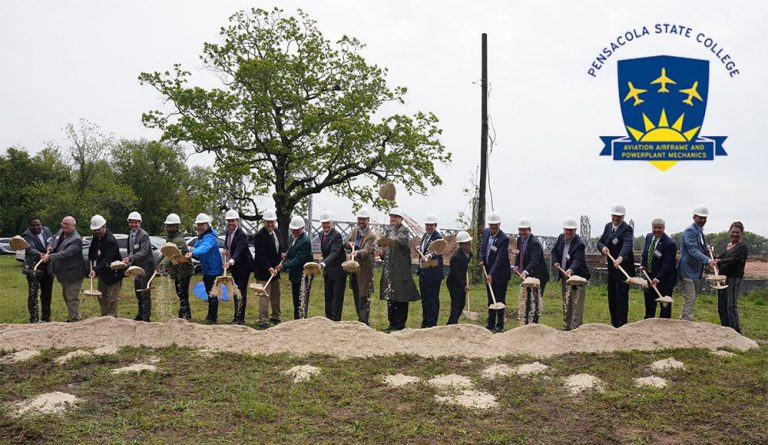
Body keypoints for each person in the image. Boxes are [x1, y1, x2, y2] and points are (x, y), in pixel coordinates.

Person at [379, 207, 420, 331]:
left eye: (395, 217)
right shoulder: (389, 230)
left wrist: (387, 241)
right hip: (390, 270)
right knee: (390, 297)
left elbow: (399, 240)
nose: (393, 219)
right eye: (391, 217)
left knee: (401, 298)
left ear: (401, 219)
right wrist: (382, 251)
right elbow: (384, 248)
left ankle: (400, 325)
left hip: (401, 271)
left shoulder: (404, 230)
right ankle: (391, 324)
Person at [596, 203, 635, 328]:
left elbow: (627, 245)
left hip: (623, 268)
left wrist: (620, 258)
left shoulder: (627, 229)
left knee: (621, 298)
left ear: (623, 216)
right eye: (614, 216)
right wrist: (603, 248)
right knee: (612, 297)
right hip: (612, 269)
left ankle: (622, 325)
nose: (616, 219)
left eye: (619, 216)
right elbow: (600, 242)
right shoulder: (608, 226)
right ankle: (614, 324)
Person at [41, 216, 85, 322]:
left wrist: (50, 257)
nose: (64, 226)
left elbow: (66, 254)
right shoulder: (61, 231)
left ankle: (74, 319)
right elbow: (52, 238)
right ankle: (73, 316)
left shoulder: (76, 239)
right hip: (64, 273)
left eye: (67, 224)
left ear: (74, 226)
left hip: (74, 273)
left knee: (72, 296)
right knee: (66, 296)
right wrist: (50, 246)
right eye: (63, 223)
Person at [551, 216, 590, 330]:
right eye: (566, 229)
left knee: (577, 304)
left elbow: (578, 260)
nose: (568, 232)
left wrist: (571, 269)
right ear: (564, 229)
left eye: (571, 230)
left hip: (578, 279)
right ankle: (566, 325)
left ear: (575, 230)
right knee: (567, 302)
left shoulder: (579, 243)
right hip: (565, 278)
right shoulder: (560, 238)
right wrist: (556, 261)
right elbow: (554, 251)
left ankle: (576, 328)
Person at [677, 205, 715, 321]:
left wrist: (709, 255)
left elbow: (700, 249)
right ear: (694, 217)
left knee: (691, 298)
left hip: (695, 270)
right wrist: (708, 260)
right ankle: (686, 322)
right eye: (700, 218)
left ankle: (684, 320)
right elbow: (692, 250)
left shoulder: (699, 231)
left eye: (705, 218)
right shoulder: (690, 231)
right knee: (690, 297)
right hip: (687, 270)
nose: (703, 220)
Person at [186, 213, 223, 324]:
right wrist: (187, 251)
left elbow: (203, 248)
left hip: (214, 270)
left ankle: (212, 318)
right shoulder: (201, 237)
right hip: (207, 270)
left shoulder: (211, 237)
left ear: (208, 225)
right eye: (198, 224)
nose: (200, 226)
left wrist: (193, 253)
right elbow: (195, 247)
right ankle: (210, 315)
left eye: (202, 224)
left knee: (213, 294)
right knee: (209, 293)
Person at [276, 216, 314, 319]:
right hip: (295, 275)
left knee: (301, 301)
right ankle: (296, 320)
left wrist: (283, 265)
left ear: (302, 228)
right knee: (296, 300)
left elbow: (298, 259)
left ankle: (301, 321)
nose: (295, 231)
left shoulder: (305, 241)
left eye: (297, 230)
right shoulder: (294, 237)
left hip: (303, 275)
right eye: (293, 229)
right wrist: (287, 255)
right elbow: (292, 250)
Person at [639, 218, 677, 319]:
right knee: (649, 304)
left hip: (664, 280)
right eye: (654, 227)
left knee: (664, 307)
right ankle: (648, 322)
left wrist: (658, 278)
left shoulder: (669, 244)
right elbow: (645, 253)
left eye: (659, 228)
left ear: (664, 228)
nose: (656, 230)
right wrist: (643, 265)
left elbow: (667, 264)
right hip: (650, 277)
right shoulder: (649, 237)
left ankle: (664, 328)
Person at [513, 217, 549, 324]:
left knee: (536, 300)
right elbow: (519, 254)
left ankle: (534, 324)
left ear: (530, 230)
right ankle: (526, 321)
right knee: (527, 299)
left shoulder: (535, 243)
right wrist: (516, 266)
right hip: (528, 276)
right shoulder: (520, 240)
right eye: (520, 230)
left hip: (539, 276)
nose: (522, 232)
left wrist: (525, 271)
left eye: (524, 230)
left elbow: (534, 260)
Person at [253, 209, 284, 328]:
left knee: (276, 295)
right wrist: (269, 267)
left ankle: (276, 317)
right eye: (267, 222)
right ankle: (263, 320)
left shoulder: (277, 232)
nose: (270, 224)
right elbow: (260, 256)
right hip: (263, 271)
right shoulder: (259, 236)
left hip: (276, 270)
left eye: (272, 222)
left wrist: (282, 253)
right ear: (263, 222)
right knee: (264, 296)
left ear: (275, 221)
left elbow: (280, 246)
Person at [158, 213, 194, 319]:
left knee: (182, 293)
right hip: (178, 270)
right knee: (180, 293)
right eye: (167, 226)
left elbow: (171, 255)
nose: (168, 228)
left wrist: (162, 265)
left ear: (176, 227)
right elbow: (165, 253)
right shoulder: (170, 239)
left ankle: (184, 314)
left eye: (170, 226)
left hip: (185, 270)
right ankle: (185, 313)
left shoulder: (179, 240)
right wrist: (159, 263)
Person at [87, 215, 124, 317]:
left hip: (114, 273)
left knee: (113, 299)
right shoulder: (96, 237)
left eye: (98, 229)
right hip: (103, 273)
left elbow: (106, 260)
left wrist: (95, 270)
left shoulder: (110, 240)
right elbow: (92, 254)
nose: (96, 231)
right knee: (102, 296)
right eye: (94, 230)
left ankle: (112, 318)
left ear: (104, 226)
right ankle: (104, 317)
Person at [715, 221, 749, 334]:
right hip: (722, 279)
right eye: (733, 232)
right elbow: (719, 259)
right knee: (722, 306)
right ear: (729, 232)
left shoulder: (742, 247)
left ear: (741, 233)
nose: (734, 234)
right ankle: (726, 329)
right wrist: (713, 259)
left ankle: (736, 332)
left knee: (731, 306)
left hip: (734, 278)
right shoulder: (726, 246)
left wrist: (720, 260)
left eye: (737, 232)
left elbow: (734, 260)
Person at [123, 211, 156, 322]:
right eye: (132, 222)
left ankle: (146, 318)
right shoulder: (130, 235)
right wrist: (128, 260)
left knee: (144, 291)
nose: (134, 224)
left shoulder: (144, 235)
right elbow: (131, 251)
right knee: (138, 291)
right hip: (136, 267)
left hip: (146, 266)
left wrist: (131, 258)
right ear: (129, 223)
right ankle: (140, 314)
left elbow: (144, 252)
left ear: (140, 223)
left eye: (136, 222)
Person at [481, 211, 511, 333]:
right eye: (491, 225)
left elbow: (500, 258)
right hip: (488, 270)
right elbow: (483, 248)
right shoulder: (486, 232)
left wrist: (491, 273)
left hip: (500, 273)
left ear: (499, 224)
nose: (493, 227)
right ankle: (491, 323)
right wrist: (482, 259)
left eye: (495, 225)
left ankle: (500, 324)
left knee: (499, 300)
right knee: (490, 299)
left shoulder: (504, 239)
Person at [345, 208, 376, 325]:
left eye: (363, 219)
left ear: (368, 220)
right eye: (359, 219)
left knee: (364, 297)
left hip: (364, 271)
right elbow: (346, 242)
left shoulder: (371, 236)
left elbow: (367, 250)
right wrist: (349, 243)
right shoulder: (355, 231)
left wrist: (357, 253)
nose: (361, 221)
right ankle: (360, 321)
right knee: (357, 296)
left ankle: (364, 323)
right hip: (355, 270)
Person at [21, 217, 54, 323]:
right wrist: (39, 253)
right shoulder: (26, 235)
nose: (36, 227)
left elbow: (51, 240)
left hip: (47, 267)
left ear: (41, 224)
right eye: (33, 225)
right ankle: (34, 319)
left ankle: (46, 318)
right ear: (30, 226)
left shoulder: (46, 230)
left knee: (47, 293)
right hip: (34, 267)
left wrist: (50, 246)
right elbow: (30, 248)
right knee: (33, 294)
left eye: (38, 225)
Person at [224, 210, 254, 325]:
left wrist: (230, 261)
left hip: (244, 267)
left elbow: (239, 252)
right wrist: (226, 251)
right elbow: (229, 246)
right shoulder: (228, 233)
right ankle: (236, 317)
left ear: (237, 221)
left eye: (233, 220)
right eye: (229, 221)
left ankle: (240, 319)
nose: (230, 223)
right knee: (236, 291)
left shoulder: (242, 235)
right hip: (235, 268)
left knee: (241, 292)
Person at [318, 210, 347, 321]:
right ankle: (328, 319)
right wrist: (322, 256)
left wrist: (323, 263)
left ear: (332, 223)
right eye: (324, 223)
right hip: (328, 272)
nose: (326, 225)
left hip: (338, 272)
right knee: (328, 297)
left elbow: (334, 253)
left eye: (328, 223)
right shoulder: (321, 234)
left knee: (337, 299)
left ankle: (336, 320)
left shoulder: (337, 235)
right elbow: (326, 251)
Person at [417, 213, 445, 328]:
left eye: (431, 225)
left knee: (432, 299)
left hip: (433, 274)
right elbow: (423, 250)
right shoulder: (425, 236)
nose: (429, 227)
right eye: (427, 225)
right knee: (425, 299)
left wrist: (429, 256)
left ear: (435, 225)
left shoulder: (438, 238)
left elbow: (436, 250)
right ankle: (425, 321)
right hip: (424, 273)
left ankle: (431, 323)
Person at [446, 230, 472, 325]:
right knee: (456, 304)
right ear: (461, 245)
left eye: (469, 243)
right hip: (454, 283)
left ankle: (454, 321)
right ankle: (451, 323)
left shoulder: (469, 254)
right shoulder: (456, 258)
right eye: (466, 244)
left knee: (462, 303)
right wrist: (464, 285)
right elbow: (455, 274)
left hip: (461, 281)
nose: (469, 246)